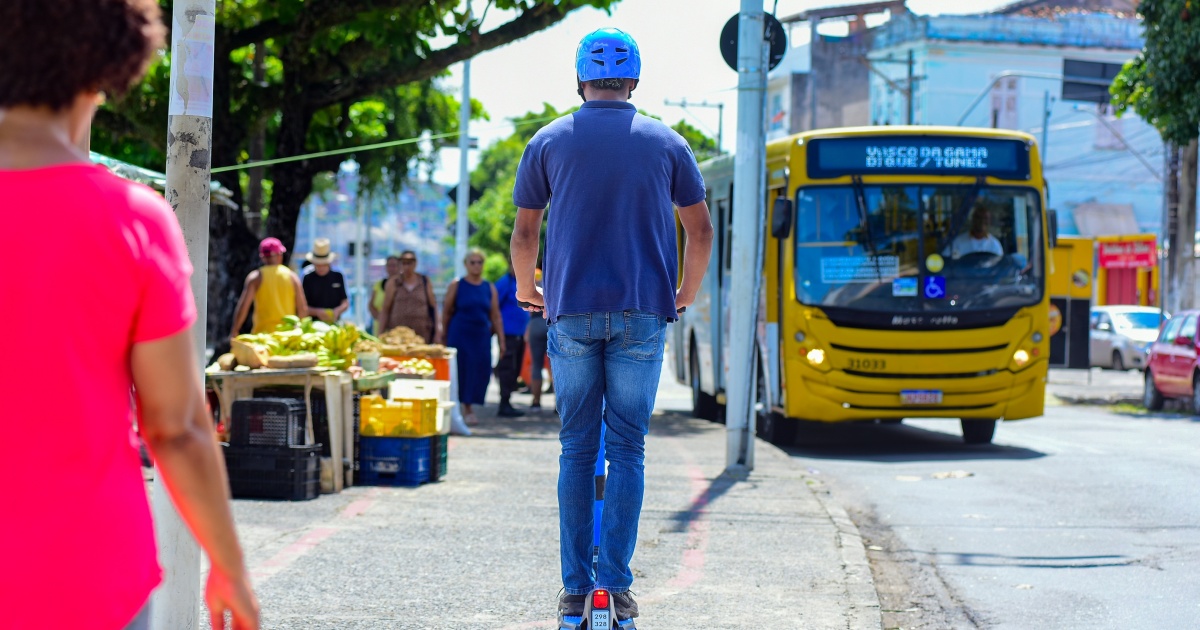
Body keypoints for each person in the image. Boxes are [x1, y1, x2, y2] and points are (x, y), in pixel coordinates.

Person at [0, 1, 260, 628]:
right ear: (109, 67)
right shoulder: (132, 221)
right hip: (85, 573)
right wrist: (229, 565)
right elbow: (175, 426)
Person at [508, 27, 714, 626]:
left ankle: (575, 592)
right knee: (627, 448)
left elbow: (525, 234)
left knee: (576, 451)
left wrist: (527, 288)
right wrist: (684, 292)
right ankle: (616, 590)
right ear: (634, 80)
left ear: (580, 79)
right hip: (644, 313)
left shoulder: (548, 141)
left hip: (568, 311)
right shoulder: (667, 142)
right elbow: (699, 230)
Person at [443, 251, 506, 425]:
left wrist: (501, 340)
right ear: (466, 264)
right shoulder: (457, 285)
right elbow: (447, 312)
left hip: (480, 335)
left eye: (479, 262)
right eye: (473, 262)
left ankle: (470, 403)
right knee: (461, 369)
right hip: (460, 333)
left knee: (481, 369)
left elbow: (495, 315)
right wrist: (442, 335)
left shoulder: (489, 287)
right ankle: (466, 407)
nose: (476, 265)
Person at [231, 237, 308, 338]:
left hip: (262, 337)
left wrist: (234, 331)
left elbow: (243, 307)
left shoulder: (255, 277)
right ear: (280, 255)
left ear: (262, 257)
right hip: (287, 337)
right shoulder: (292, 277)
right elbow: (302, 309)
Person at [493, 259, 531, 417]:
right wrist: (499, 335)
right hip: (507, 334)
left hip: (519, 334)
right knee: (507, 368)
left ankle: (507, 401)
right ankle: (504, 402)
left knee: (515, 369)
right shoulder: (504, 283)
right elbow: (494, 308)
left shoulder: (520, 282)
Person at [381, 250, 439, 343]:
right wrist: (380, 333)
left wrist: (437, 333)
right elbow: (385, 309)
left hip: (422, 334)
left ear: (415, 263)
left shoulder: (424, 281)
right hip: (398, 337)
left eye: (410, 263)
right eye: (404, 263)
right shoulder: (393, 282)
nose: (407, 266)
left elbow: (433, 306)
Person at [303, 237, 350, 323]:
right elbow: (302, 306)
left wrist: (337, 311)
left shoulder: (338, 276)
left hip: (335, 323)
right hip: (313, 324)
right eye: (318, 264)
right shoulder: (307, 278)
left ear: (329, 262)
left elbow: (345, 302)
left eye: (323, 264)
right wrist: (317, 312)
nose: (320, 267)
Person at [525, 268, 551, 412]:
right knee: (554, 363)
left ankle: (536, 401)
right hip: (550, 324)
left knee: (536, 364)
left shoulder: (532, 287)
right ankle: (557, 404)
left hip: (535, 324)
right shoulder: (551, 283)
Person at [369, 254, 403, 335]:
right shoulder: (379, 284)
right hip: (380, 328)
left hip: (398, 328)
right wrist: (380, 318)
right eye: (389, 266)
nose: (391, 268)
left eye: (394, 266)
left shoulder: (403, 286)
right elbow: (371, 305)